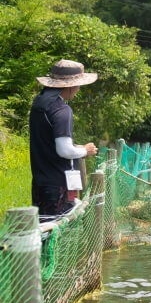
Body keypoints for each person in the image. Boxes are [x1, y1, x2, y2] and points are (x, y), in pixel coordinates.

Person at [29, 59, 99, 218]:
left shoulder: (39, 103)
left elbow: (50, 142)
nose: (78, 89)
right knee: (58, 233)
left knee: (43, 229)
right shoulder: (62, 110)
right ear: (70, 85)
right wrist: (84, 150)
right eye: (78, 84)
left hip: (40, 182)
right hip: (58, 186)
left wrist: (76, 147)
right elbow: (64, 150)